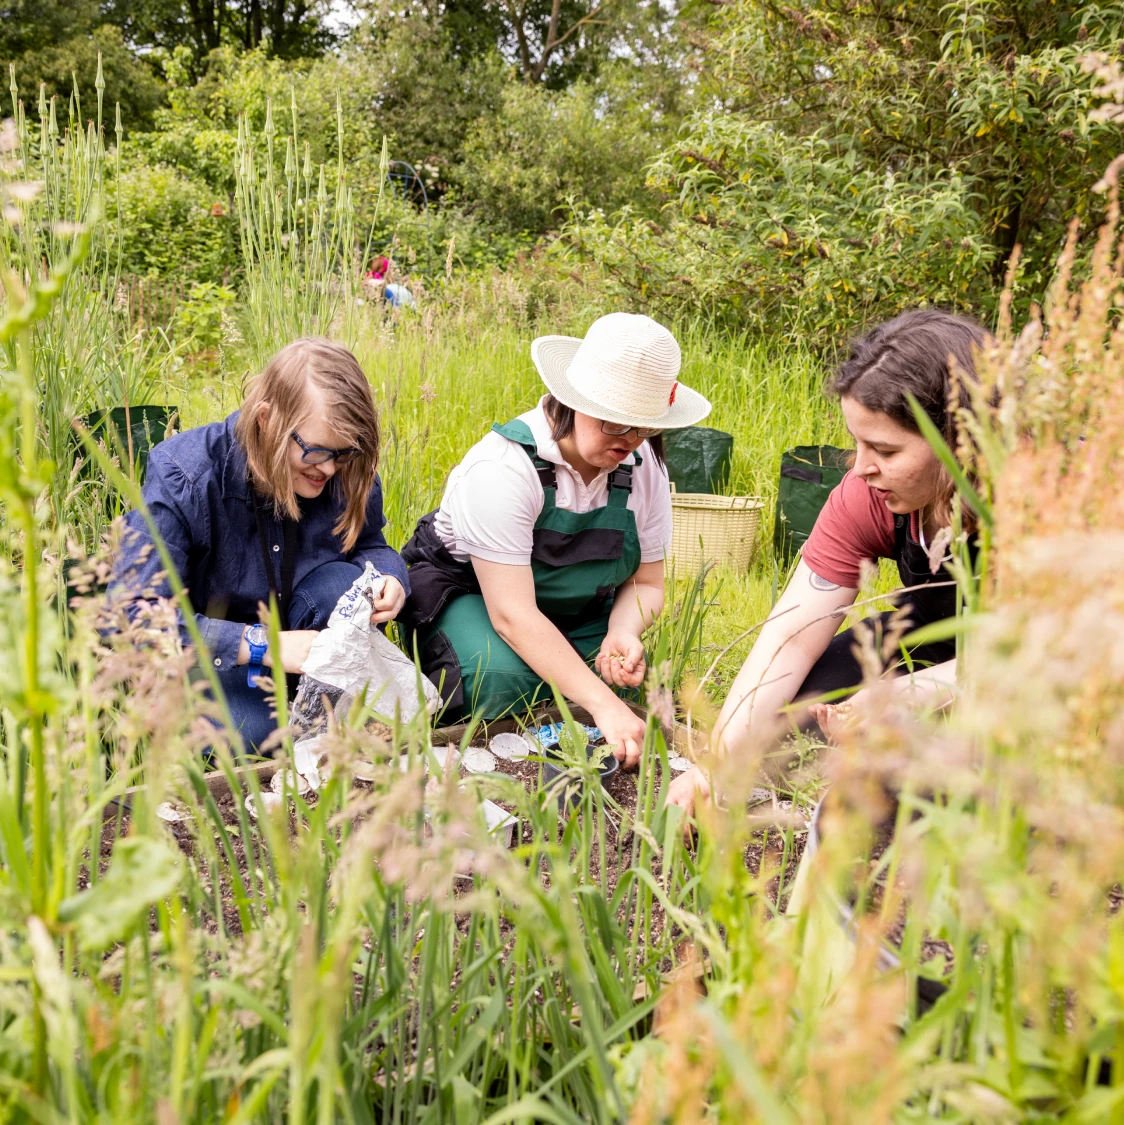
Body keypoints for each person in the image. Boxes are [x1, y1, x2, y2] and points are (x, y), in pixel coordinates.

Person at [668, 309, 989, 813]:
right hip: (927, 636)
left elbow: (1058, 655)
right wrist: (715, 765)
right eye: (857, 442)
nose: (860, 468)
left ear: (961, 443)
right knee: (791, 724)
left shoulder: (1051, 499)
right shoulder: (867, 493)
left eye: (884, 450)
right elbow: (792, 635)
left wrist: (909, 694)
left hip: (1050, 661)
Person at [399, 312, 712, 767]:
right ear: (574, 401)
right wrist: (603, 706)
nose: (631, 440)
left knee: (634, 685)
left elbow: (647, 583)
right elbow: (513, 615)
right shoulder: (502, 469)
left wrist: (623, 631)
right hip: (477, 598)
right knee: (500, 682)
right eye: (616, 423)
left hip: (577, 609)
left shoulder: (645, 467)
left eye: (644, 427)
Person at [111, 337, 409, 751]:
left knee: (343, 584)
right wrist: (261, 644)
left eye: (342, 454)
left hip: (306, 645)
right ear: (267, 420)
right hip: (217, 658)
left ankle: (317, 711)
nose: (328, 469)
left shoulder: (346, 466)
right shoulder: (184, 475)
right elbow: (131, 615)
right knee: (256, 736)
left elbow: (370, 544)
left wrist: (391, 577)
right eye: (316, 452)